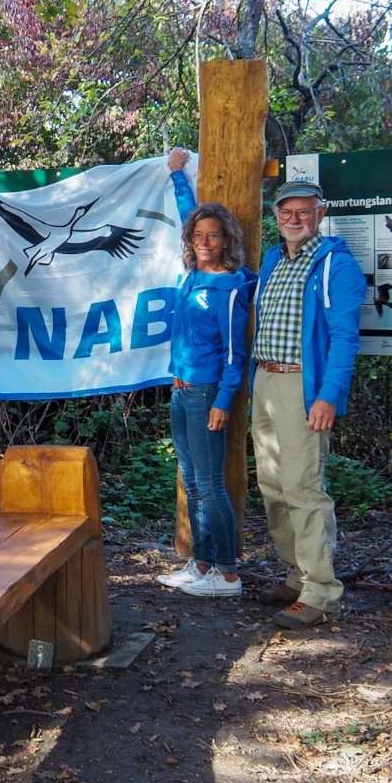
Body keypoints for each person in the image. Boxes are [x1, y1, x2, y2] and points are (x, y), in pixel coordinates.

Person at [250, 179, 365, 629]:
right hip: (265, 379)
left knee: (303, 487)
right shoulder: (274, 260)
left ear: (321, 213)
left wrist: (327, 396)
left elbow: (343, 337)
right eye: (285, 212)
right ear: (276, 216)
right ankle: (296, 575)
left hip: (303, 386)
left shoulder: (336, 264)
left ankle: (321, 593)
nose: (293, 219)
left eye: (303, 211)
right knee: (274, 487)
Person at [156, 148, 256, 598]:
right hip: (180, 391)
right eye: (198, 235)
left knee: (210, 485)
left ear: (227, 241)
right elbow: (186, 213)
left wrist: (222, 400)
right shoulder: (192, 275)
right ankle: (201, 565)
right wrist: (178, 176)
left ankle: (228, 574)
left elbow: (236, 353)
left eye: (213, 236)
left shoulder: (229, 287)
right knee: (192, 480)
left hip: (205, 393)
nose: (204, 241)